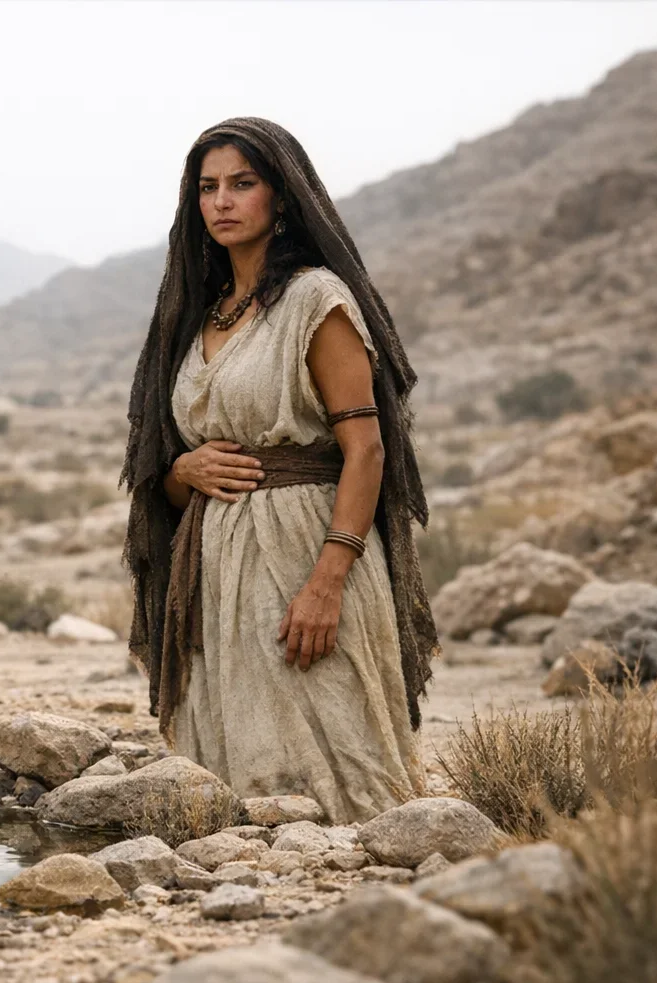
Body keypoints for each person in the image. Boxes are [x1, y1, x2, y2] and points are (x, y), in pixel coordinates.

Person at [120, 117, 440, 824]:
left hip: (306, 545)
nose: (222, 202)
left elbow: (368, 450)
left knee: (344, 782)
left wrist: (328, 581)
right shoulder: (200, 314)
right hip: (216, 566)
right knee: (234, 788)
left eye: (243, 183)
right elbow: (168, 478)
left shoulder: (315, 301)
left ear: (283, 198)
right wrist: (185, 470)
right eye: (207, 188)